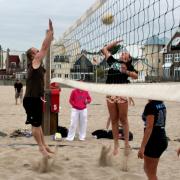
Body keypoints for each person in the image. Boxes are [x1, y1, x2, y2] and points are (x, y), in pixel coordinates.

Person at [23, 19, 54, 157]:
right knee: (35, 125)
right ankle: (41, 148)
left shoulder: (38, 63)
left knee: (38, 124)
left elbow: (45, 48)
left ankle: (44, 145)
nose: (38, 51)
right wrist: (50, 32)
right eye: (36, 51)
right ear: (32, 55)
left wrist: (50, 36)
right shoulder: (34, 62)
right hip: (31, 99)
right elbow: (44, 47)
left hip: (36, 98)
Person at [101, 40, 138, 155]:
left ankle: (126, 144)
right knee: (114, 119)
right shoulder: (114, 62)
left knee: (124, 119)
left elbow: (136, 76)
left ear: (129, 58)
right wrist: (115, 43)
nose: (123, 53)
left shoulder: (129, 66)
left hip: (121, 93)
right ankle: (116, 144)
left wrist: (126, 71)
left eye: (125, 53)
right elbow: (104, 50)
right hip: (110, 92)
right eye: (122, 53)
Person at [138, 100, 168, 180]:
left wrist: (142, 147)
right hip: (162, 137)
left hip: (154, 140)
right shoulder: (161, 104)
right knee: (149, 170)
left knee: (150, 173)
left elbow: (149, 127)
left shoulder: (150, 106)